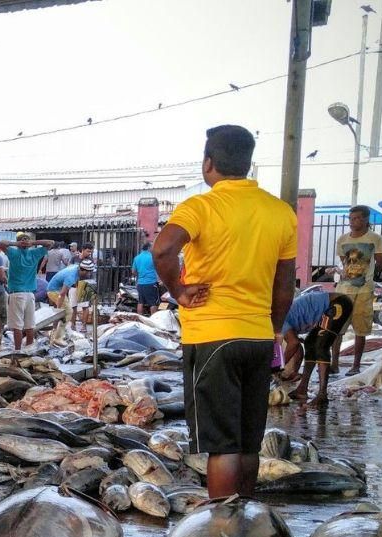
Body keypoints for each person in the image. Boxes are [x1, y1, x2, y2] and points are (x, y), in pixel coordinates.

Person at [152, 124, 296, 498]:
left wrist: (178, 291)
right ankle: (245, 519)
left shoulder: (202, 205)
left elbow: (163, 250)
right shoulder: (280, 212)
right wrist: (275, 330)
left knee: (223, 447)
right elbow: (284, 285)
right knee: (249, 444)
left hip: (212, 337)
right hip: (260, 336)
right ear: (248, 163)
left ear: (208, 163)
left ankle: (218, 533)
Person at [335, 204, 382, 376]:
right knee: (337, 328)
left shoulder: (376, 239)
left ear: (365, 220)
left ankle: (355, 365)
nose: (352, 222)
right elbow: (345, 264)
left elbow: (380, 261)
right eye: (350, 218)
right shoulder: (342, 240)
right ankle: (334, 363)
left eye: (356, 218)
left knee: (361, 329)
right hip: (344, 289)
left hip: (364, 291)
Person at [277, 290, 352, 405]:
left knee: (321, 346)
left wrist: (278, 368)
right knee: (310, 343)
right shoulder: (277, 322)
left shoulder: (278, 319)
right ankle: (302, 389)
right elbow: (297, 348)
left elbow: (294, 343)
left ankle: (322, 394)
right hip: (330, 306)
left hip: (337, 303)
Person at [2, 232, 55, 349]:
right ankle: (29, 350)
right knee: (29, 326)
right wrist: (33, 243)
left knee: (17, 327)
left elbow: (1, 243)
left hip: (16, 294)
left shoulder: (14, 252)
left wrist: (16, 243)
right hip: (30, 294)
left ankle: (17, 352)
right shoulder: (34, 253)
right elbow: (51, 243)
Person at [45, 260, 93, 345]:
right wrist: (58, 308)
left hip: (56, 290)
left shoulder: (76, 268)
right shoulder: (71, 277)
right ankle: (57, 338)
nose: (89, 275)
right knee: (68, 312)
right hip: (54, 291)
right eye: (88, 273)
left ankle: (54, 332)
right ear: (83, 270)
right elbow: (62, 294)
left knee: (63, 313)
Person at [130, 241, 162, 316]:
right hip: (151, 283)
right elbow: (159, 270)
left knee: (140, 302)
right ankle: (154, 320)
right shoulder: (152, 257)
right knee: (153, 303)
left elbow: (133, 272)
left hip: (140, 284)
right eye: (152, 247)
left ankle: (140, 319)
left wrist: (141, 275)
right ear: (149, 248)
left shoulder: (137, 258)